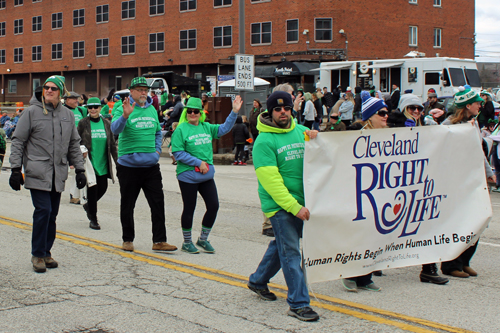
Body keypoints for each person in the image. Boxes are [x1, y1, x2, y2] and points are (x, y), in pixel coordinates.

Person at [247, 91, 319, 322]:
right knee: (291, 251)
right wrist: (293, 207)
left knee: (282, 246)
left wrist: (318, 139)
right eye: (277, 109)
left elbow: (320, 159)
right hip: (279, 206)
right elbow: (271, 182)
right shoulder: (264, 141)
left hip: (302, 202)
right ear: (270, 112)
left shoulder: (300, 132)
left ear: (291, 109)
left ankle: (258, 280)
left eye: (286, 108)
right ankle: (298, 304)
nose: (283, 113)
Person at [9, 75, 86, 273]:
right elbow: (18, 140)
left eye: (53, 88)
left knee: (52, 214)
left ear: (61, 93)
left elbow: (73, 144)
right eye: (46, 87)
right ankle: (37, 254)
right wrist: (16, 169)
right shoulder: (31, 112)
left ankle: (46, 252)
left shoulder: (67, 115)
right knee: (43, 211)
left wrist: (80, 169)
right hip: (37, 171)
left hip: (57, 173)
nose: (49, 91)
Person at [386, 93, 448, 284]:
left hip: (419, 185)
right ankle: (372, 264)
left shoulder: (427, 127)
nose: (416, 112)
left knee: (427, 224)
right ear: (404, 109)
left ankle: (429, 269)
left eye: (419, 108)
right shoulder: (391, 127)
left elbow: (445, 139)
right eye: (411, 108)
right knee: (386, 228)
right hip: (394, 187)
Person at [111, 77, 177, 253]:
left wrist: (156, 151)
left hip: (150, 167)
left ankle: (159, 240)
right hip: (128, 166)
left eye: (145, 90)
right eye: (139, 89)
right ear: (131, 91)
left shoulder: (152, 109)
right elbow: (115, 130)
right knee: (128, 204)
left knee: (157, 203)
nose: (143, 93)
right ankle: (127, 239)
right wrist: (125, 115)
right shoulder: (122, 106)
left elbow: (157, 132)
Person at [171, 96, 242, 254]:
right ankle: (187, 242)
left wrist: (234, 111)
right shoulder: (181, 130)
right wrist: (198, 163)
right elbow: (178, 153)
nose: (192, 113)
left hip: (206, 176)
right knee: (190, 208)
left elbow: (224, 129)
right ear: (186, 112)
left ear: (201, 113)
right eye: (189, 111)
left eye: (196, 111)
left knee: (213, 206)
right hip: (187, 175)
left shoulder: (206, 127)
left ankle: (203, 239)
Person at [441, 87, 496, 278]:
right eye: (477, 102)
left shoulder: (473, 124)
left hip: (475, 178)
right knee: (459, 222)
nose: (481, 105)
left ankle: (465, 261)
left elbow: (479, 152)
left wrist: (489, 172)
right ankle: (451, 264)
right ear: (467, 105)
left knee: (478, 219)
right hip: (458, 180)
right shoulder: (448, 124)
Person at [341, 92, 390, 292]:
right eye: (381, 113)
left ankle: (366, 277)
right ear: (370, 116)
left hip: (378, 193)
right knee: (357, 235)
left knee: (373, 235)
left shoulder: (391, 137)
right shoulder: (354, 134)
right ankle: (349, 273)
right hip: (356, 193)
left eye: (387, 112)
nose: (386, 116)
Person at [77, 97, 118, 230]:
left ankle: (88, 206)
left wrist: (118, 163)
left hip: (103, 162)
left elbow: (112, 144)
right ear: (87, 109)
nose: (93, 109)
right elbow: (76, 141)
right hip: (90, 163)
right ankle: (93, 219)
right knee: (93, 191)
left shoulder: (107, 123)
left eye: (96, 107)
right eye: (90, 107)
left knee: (103, 187)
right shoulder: (83, 123)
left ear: (100, 108)